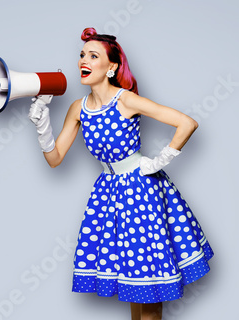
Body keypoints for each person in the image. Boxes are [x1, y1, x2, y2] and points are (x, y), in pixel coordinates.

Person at [28, 27, 213, 320]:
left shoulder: (125, 100)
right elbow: (55, 159)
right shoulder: (79, 108)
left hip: (142, 193)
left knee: (149, 289)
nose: (82, 61)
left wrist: (156, 163)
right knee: (133, 285)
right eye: (81, 55)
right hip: (109, 194)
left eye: (93, 55)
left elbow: (186, 123)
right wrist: (42, 124)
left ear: (112, 67)